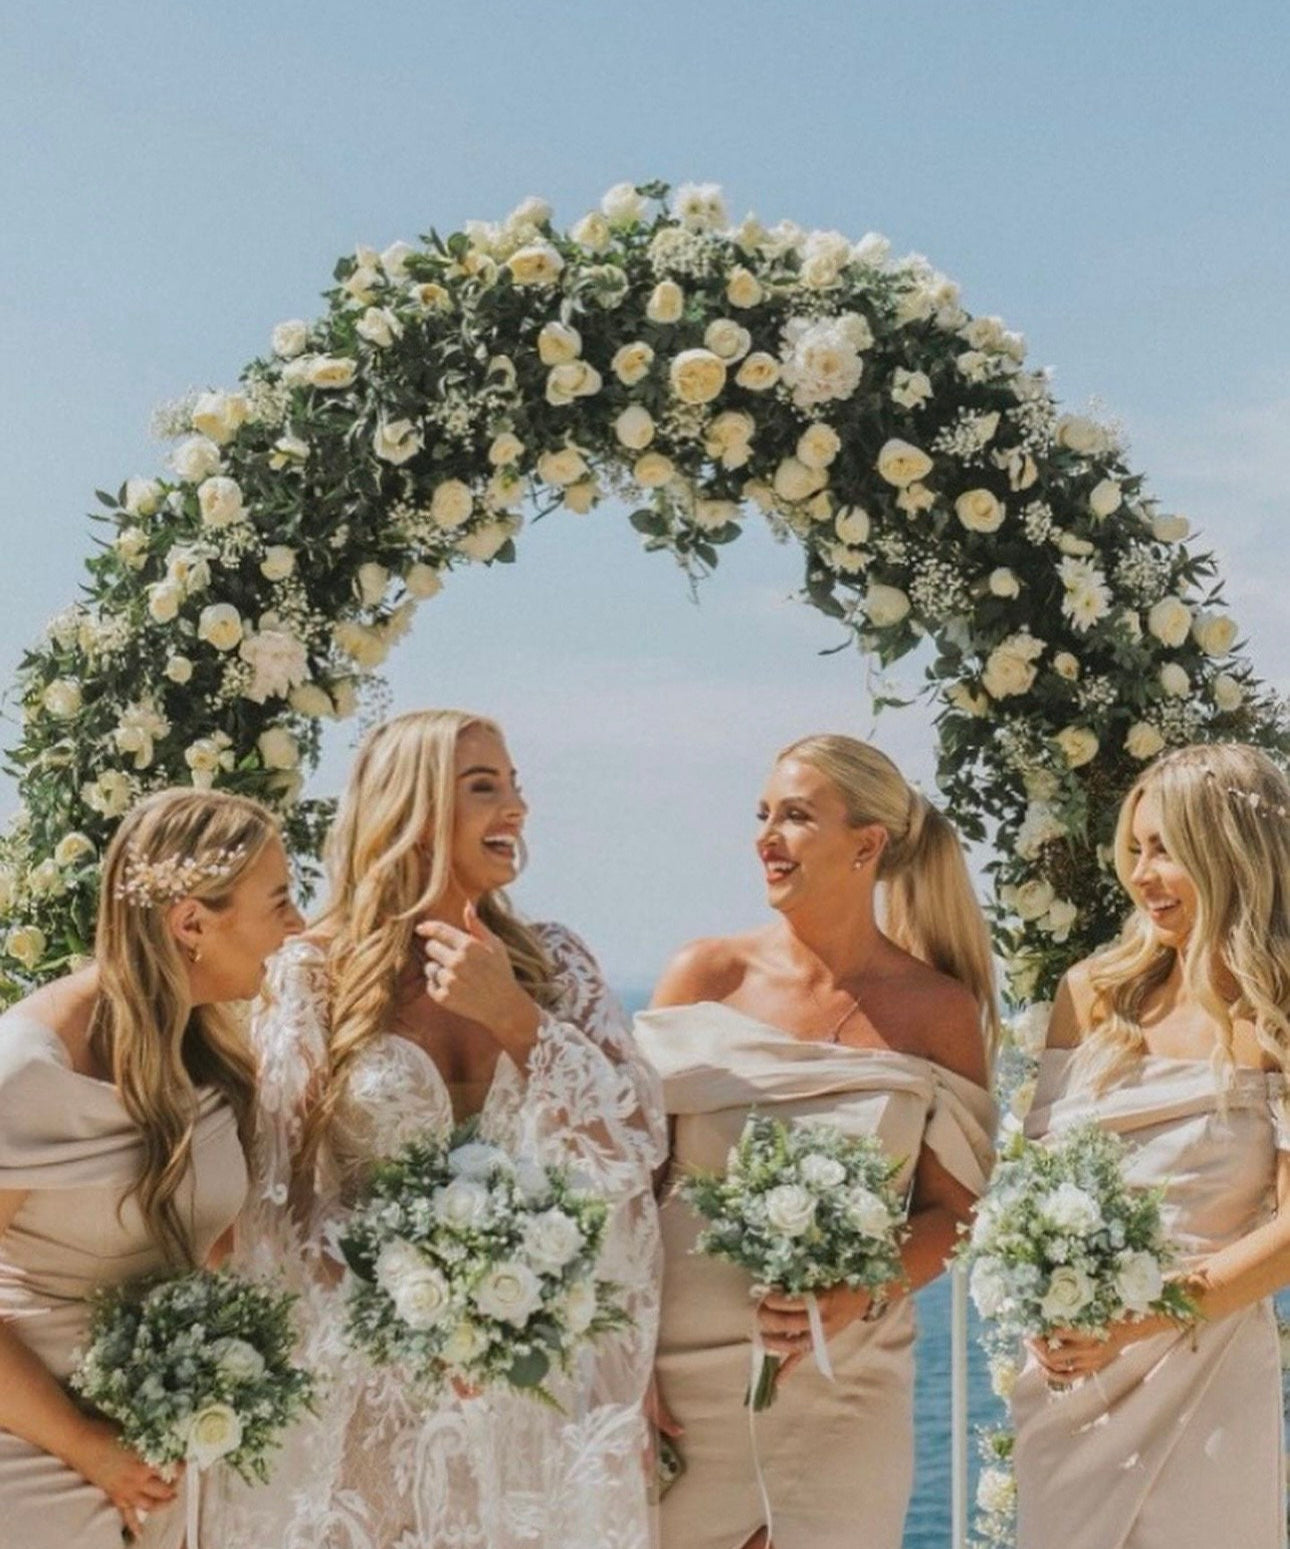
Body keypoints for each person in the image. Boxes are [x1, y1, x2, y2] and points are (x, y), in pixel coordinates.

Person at [216, 708, 665, 1549]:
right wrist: (413, 1309)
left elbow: (638, 1142)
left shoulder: (555, 965)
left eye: (515, 785)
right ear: (413, 807)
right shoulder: (314, 974)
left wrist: (519, 1019)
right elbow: (272, 1200)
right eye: (483, 787)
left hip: (529, 1387)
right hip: (366, 1391)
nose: (517, 809)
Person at [634, 734, 997, 1549]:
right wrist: (623, 1369)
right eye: (763, 814)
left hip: (849, 1384)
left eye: (796, 817)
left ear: (868, 844)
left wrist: (860, 1290)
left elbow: (955, 1211)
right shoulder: (703, 976)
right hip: (684, 1385)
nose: (766, 837)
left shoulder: (937, 1009)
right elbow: (633, 1188)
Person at [0, 788, 300, 1548]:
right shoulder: (28, 1071)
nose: (296, 925)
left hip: (160, 1456)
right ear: (192, 922)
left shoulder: (210, 1059)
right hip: (35, 1450)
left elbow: (226, 1247)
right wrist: (87, 1445)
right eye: (280, 901)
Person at [1011, 742, 1290, 1549]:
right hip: (1072, 1382)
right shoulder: (1091, 992)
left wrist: (1136, 1316)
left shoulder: (1278, 1012)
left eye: (1165, 848)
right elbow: (1032, 1185)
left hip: (1208, 1371)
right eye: (1134, 849)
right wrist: (1045, 1295)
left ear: (1229, 850)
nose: (1141, 874)